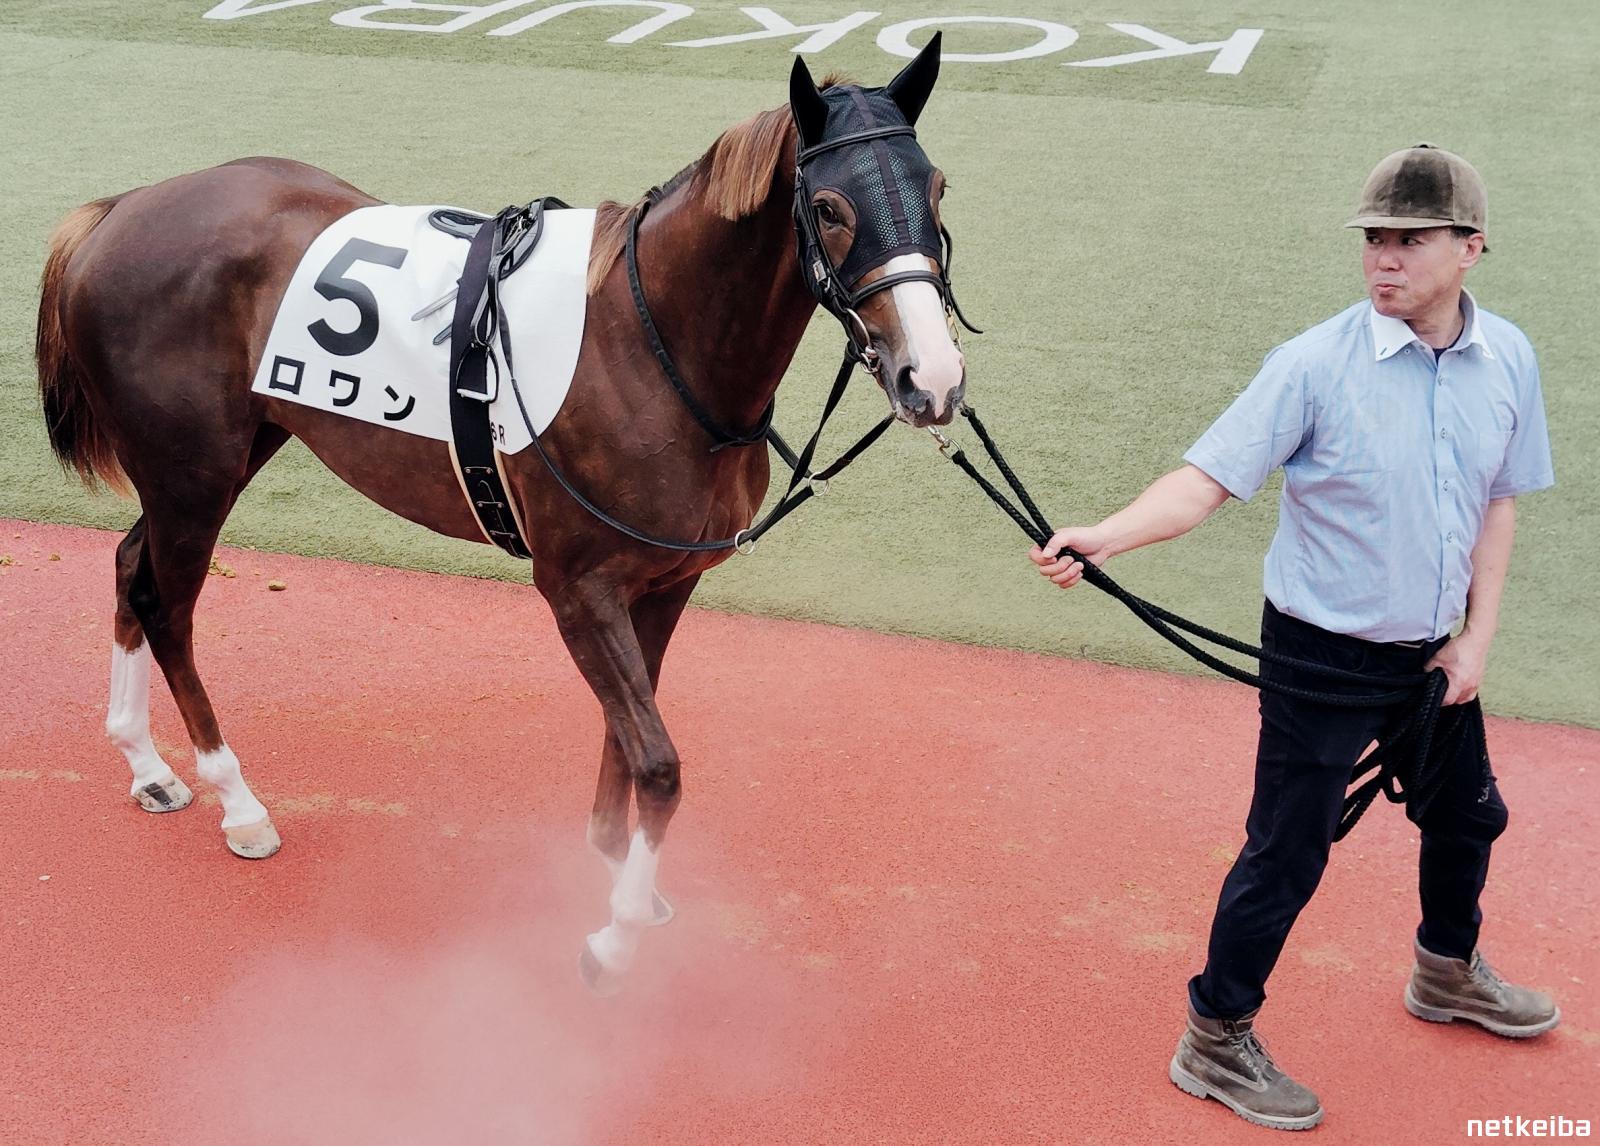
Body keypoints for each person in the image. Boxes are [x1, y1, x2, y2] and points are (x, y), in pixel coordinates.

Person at [1030, 144, 1558, 1131]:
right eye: (1374, 239)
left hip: (1432, 658)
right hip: (1321, 655)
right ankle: (1215, 1034)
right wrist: (1106, 535)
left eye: (1410, 240)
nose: (1384, 258)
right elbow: (1207, 481)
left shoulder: (1508, 360)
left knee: (1467, 817)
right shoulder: (1314, 366)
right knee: (1287, 852)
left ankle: (1445, 970)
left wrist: (1476, 641)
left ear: (1470, 248)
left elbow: (1499, 502)